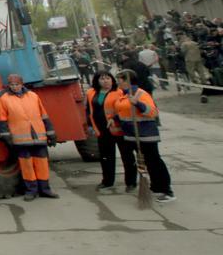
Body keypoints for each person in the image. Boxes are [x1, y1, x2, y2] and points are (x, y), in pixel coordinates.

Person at [110, 69, 174, 203]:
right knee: (143, 163)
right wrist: (114, 118)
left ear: (127, 81)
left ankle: (165, 190)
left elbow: (152, 112)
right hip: (131, 136)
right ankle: (155, 187)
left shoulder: (140, 94)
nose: (118, 83)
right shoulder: (124, 95)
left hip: (145, 135)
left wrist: (138, 104)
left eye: (120, 80)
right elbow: (123, 111)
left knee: (154, 162)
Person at [0, 74, 58, 201]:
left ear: (22, 84)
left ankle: (45, 189)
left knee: (42, 164)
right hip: (21, 139)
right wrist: (6, 135)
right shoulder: (3, 98)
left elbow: (43, 114)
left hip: (38, 136)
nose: (14, 87)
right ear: (8, 85)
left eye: (17, 84)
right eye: (12, 85)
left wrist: (50, 132)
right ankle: (31, 190)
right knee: (27, 165)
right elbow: (2, 118)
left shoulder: (33, 96)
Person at [85, 72, 134, 193]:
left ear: (112, 80)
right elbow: (88, 110)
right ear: (97, 81)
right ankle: (107, 181)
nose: (105, 81)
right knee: (106, 157)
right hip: (102, 129)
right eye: (102, 79)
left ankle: (131, 182)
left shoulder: (119, 92)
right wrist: (90, 125)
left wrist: (115, 118)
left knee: (127, 156)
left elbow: (124, 108)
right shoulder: (91, 93)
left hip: (119, 129)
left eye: (108, 78)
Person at [181, 34, 211, 103]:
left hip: (189, 58)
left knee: (190, 70)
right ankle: (203, 80)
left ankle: (195, 80)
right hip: (198, 58)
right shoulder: (195, 43)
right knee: (200, 70)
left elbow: (183, 51)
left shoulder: (184, 44)